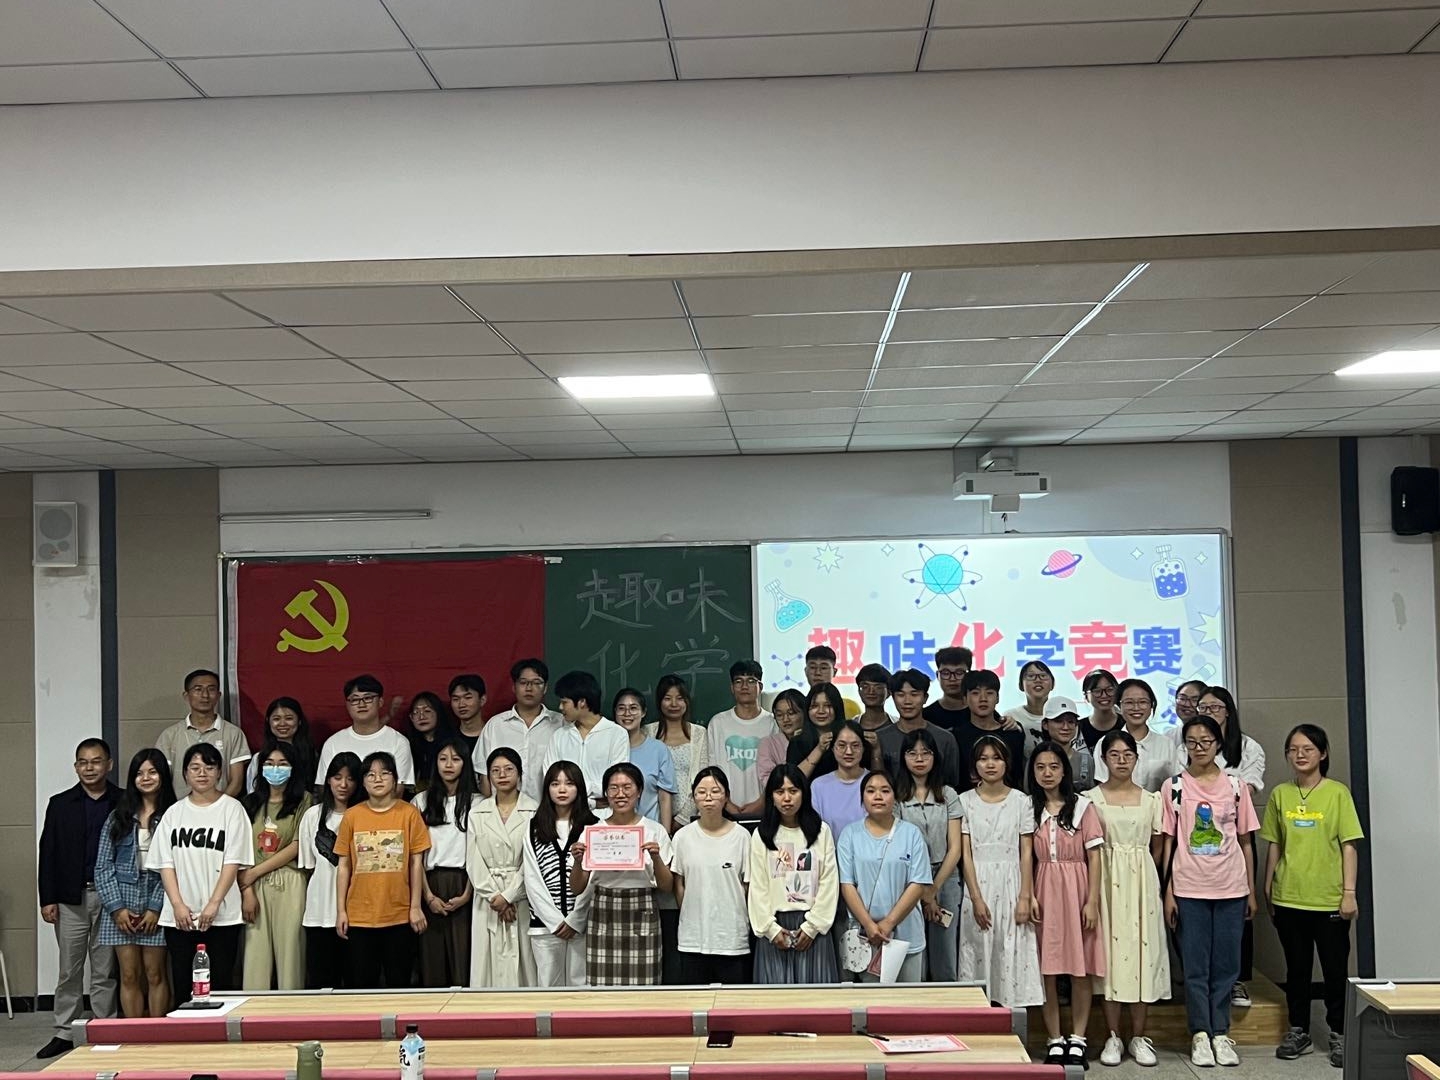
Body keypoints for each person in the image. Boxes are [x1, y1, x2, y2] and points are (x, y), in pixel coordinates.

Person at [1162, 715, 1259, 1069]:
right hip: (1189, 887)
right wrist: (1168, 892)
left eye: (1206, 741)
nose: (1199, 747)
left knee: (1227, 965)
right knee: (1195, 965)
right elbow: (1168, 843)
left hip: (1231, 887)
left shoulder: (1236, 786)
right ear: (1184, 746)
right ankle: (1200, 1033)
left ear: (1218, 744)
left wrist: (1250, 890)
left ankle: (1221, 1032)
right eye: (1192, 741)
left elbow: (1245, 841)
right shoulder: (1174, 787)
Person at [1264, 724, 1364, 1069]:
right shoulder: (1280, 794)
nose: (1300, 755)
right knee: (1297, 970)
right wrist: (1268, 887)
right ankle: (1299, 1030)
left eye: (1307, 748)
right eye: (1293, 749)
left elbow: (1349, 845)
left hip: (1329, 899)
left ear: (1322, 753)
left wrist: (1349, 893)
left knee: (1335, 970)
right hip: (1289, 897)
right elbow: (1275, 844)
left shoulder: (1337, 793)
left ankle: (1339, 1033)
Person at [148, 742, 253, 1005]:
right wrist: (177, 905)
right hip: (181, 917)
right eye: (195, 767)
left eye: (209, 767)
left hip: (222, 915)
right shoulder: (174, 813)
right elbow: (165, 864)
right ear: (185, 774)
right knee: (183, 984)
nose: (202, 773)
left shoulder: (233, 809)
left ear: (220, 772)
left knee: (221, 984)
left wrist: (214, 903)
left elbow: (233, 861)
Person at [36, 738, 120, 1058]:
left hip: (110, 898)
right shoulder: (60, 804)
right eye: (83, 762)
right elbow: (48, 852)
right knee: (69, 970)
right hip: (71, 899)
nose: (89, 768)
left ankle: (105, 1027)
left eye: (96, 761)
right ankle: (65, 1031)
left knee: (104, 969)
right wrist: (48, 898)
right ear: (76, 767)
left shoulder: (123, 801)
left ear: (108, 764)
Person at [1092, 730, 1167, 1069]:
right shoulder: (1090, 799)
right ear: (1103, 759)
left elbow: (1158, 846)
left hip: (1141, 883)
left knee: (1142, 955)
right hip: (1105, 882)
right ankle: (1113, 1035)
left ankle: (1139, 1036)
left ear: (1137, 758)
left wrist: (1147, 878)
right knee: (1110, 956)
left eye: (1128, 754)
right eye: (1114, 754)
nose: (1121, 761)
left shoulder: (1152, 800)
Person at [1029, 741, 1106, 1070]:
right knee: (1047, 967)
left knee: (1079, 967)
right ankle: (1054, 1038)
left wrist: (1092, 901)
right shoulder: (1029, 808)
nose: (1047, 773)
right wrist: (1029, 895)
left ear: (1065, 770)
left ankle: (1078, 1038)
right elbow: (1026, 857)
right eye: (1040, 767)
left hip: (1077, 889)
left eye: (1054, 766)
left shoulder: (1083, 807)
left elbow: (1095, 857)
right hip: (1043, 889)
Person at [1188, 685, 1265, 1009]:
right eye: (1203, 707)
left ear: (1229, 711)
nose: (1209, 713)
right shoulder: (1185, 745)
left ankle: (1237, 982)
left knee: (1239, 915)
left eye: (1215, 707)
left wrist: (1217, 787)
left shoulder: (1248, 746)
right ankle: (1199, 983)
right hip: (1193, 836)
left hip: (1234, 834)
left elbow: (1249, 787)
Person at [958, 735, 1043, 1008]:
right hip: (978, 884)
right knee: (978, 948)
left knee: (1011, 950)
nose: (990, 764)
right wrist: (975, 898)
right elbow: (965, 854)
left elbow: (1026, 852)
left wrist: (1025, 896)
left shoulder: (1022, 801)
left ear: (1007, 763)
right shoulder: (964, 801)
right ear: (974, 765)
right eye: (983, 759)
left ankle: (1012, 1020)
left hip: (1012, 882)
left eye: (996, 758)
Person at [570, 762, 673, 985]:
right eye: (613, 788)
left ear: (639, 791)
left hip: (643, 907)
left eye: (627, 787)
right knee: (602, 990)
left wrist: (656, 857)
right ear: (606, 793)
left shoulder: (655, 830)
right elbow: (577, 888)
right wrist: (578, 862)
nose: (620, 794)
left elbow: (667, 887)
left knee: (645, 988)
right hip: (603, 909)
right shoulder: (593, 832)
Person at [335, 751, 430, 988]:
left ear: (395, 779)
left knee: (399, 985)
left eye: (385, 773)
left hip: (399, 915)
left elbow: (415, 863)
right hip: (360, 917)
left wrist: (415, 907)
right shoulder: (352, 816)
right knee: (362, 987)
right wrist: (341, 911)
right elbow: (344, 866)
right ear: (363, 781)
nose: (378, 779)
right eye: (370, 775)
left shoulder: (409, 814)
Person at [95, 750, 173, 1023]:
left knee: (155, 974)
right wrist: (117, 908)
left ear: (162, 776)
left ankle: (158, 1036)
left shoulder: (173, 815)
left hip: (158, 898)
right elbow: (103, 866)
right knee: (129, 974)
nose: (146, 778)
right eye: (139, 773)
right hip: (122, 900)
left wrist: (155, 908)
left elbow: (176, 868)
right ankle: (134, 1035)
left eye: (152, 772)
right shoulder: (118, 816)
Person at [748, 764, 840, 984]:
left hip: (813, 928)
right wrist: (771, 929)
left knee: (816, 1000)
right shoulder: (761, 835)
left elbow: (829, 882)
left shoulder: (821, 831)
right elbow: (758, 887)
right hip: (775, 928)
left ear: (804, 793)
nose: (787, 798)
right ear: (771, 797)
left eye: (793, 791)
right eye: (780, 792)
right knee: (776, 1002)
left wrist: (812, 927)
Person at [837, 770, 932, 983]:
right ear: (862, 798)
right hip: (866, 936)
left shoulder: (911, 834)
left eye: (885, 791)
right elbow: (847, 885)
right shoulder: (849, 835)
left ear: (895, 797)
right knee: (872, 1001)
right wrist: (869, 925)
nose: (878, 796)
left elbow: (917, 884)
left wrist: (889, 923)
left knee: (908, 1000)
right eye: (871, 791)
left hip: (906, 935)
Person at [240, 739, 312, 991]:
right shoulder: (249, 803)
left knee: (291, 954)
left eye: (282, 764)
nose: (275, 768)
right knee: (255, 957)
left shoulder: (304, 800)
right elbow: (239, 850)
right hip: (252, 885)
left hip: (289, 881)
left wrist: (254, 873)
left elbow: (298, 845)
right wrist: (247, 889)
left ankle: (291, 1011)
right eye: (270, 763)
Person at [894, 727, 963, 982]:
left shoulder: (948, 794)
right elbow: (900, 845)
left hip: (946, 877)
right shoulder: (896, 796)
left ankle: (947, 1006)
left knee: (945, 954)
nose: (919, 759)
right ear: (903, 757)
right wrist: (922, 891)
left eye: (926, 753)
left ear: (935, 757)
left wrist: (933, 889)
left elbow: (955, 848)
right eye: (912, 753)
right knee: (914, 954)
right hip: (908, 880)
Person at [672, 767, 751, 983]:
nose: (708, 798)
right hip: (692, 939)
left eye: (715, 791)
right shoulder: (682, 837)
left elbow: (747, 886)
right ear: (693, 797)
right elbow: (679, 885)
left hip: (732, 939)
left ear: (726, 797)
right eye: (701, 792)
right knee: (694, 1000)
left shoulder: (742, 836)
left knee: (734, 1002)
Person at [466, 746, 537, 987]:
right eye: (495, 771)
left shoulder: (534, 810)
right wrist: (495, 897)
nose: (502, 775)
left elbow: (533, 860)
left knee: (524, 960)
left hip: (521, 896)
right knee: (487, 962)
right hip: (488, 899)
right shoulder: (477, 812)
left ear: (520, 773)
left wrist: (508, 896)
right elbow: (473, 860)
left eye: (508, 769)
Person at [523, 760, 598, 987]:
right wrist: (554, 921)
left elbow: (594, 878)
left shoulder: (594, 826)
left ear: (579, 788)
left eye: (569, 783)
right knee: (547, 989)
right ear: (547, 788)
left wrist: (576, 919)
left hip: (583, 924)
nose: (562, 789)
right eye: (555, 784)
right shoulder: (533, 827)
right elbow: (532, 878)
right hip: (544, 926)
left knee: (581, 988)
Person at [414, 737, 478, 987]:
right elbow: (415, 856)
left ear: (465, 763)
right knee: (432, 961)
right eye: (443, 759)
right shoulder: (420, 801)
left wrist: (467, 894)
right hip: (430, 882)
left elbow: (479, 852)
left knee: (463, 959)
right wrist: (428, 896)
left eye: (456, 759)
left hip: (465, 882)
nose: (449, 765)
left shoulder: (478, 803)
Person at [297, 751, 362, 989]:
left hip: (358, 914)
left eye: (350, 778)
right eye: (337, 777)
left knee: (356, 984)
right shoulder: (312, 816)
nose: (343, 784)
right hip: (319, 912)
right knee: (322, 984)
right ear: (327, 780)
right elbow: (308, 866)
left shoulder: (364, 815)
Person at [542, 670, 629, 816]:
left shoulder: (616, 734)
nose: (560, 707)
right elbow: (550, 778)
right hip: (566, 815)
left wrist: (573, 789)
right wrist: (593, 800)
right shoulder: (559, 736)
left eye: (564, 702)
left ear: (582, 702)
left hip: (605, 816)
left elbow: (616, 782)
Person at [477, 659, 562, 801]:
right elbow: (483, 773)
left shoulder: (560, 724)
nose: (529, 688)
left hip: (549, 808)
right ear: (514, 687)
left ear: (545, 688)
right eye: (523, 682)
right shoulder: (495, 725)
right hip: (504, 809)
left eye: (536, 683)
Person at [155, 669, 250, 797]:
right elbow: (161, 780)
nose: (205, 695)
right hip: (179, 807)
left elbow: (236, 782)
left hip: (221, 807)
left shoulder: (233, 733)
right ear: (186, 695)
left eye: (211, 689)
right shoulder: (169, 735)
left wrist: (219, 806)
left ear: (218, 695)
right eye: (198, 689)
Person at [316, 675, 416, 791]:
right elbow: (323, 788)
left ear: (380, 702)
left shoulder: (399, 742)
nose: (361, 704)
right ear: (347, 704)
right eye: (355, 699)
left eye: (368, 698)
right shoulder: (333, 742)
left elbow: (398, 790)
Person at [706, 660, 777, 818]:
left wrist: (762, 802)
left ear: (760, 687)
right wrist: (726, 803)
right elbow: (711, 768)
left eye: (751, 681)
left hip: (765, 810)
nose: (744, 686)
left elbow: (778, 770)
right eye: (738, 681)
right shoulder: (718, 723)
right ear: (732, 687)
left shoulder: (772, 723)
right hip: (724, 809)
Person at [879, 668, 964, 791]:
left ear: (925, 698)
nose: (907, 701)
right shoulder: (881, 738)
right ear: (893, 697)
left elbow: (952, 782)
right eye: (901, 695)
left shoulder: (945, 739)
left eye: (914, 694)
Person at [646, 674, 710, 831]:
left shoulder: (699, 734)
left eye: (680, 698)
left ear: (687, 701)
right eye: (667, 698)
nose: (674, 704)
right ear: (659, 702)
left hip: (692, 819)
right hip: (652, 817)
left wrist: (682, 819)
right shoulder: (647, 732)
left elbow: (702, 779)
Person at [1094, 679, 1179, 793]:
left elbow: (1175, 785)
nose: (1136, 708)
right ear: (1119, 706)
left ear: (1151, 705)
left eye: (1143, 702)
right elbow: (1103, 787)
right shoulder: (1105, 743)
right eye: (1129, 702)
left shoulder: (1166, 744)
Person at [953, 669, 1026, 789]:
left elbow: (1017, 775)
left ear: (997, 698)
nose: (983, 698)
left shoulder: (1012, 732)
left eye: (989, 693)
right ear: (965, 699)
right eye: (975, 693)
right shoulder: (956, 736)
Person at [614, 688, 676, 829]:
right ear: (615, 712)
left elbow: (664, 797)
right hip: (613, 833)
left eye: (633, 708)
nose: (627, 713)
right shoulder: (606, 748)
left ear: (643, 712)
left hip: (649, 832)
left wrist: (665, 834)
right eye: (621, 708)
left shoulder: (658, 750)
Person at [244, 697, 317, 794]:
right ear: (268, 721)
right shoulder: (259, 758)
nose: (282, 723)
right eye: (276, 719)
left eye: (289, 718)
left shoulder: (311, 756)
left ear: (299, 721)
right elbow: (252, 792)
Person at [788, 683, 846, 779]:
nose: (821, 711)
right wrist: (819, 749)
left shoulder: (848, 740)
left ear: (837, 708)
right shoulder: (797, 743)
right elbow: (794, 780)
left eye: (828, 705)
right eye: (815, 706)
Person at [1038, 696, 1096, 792]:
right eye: (1058, 721)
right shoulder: (1035, 759)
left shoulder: (1086, 761)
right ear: (1045, 725)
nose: (1065, 727)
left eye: (1070, 721)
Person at [405, 691, 455, 794]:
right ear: (411, 718)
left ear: (439, 713)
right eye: (416, 712)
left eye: (427, 711)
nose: (421, 717)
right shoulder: (406, 744)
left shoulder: (452, 743)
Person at [758, 689, 806, 789]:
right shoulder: (768, 743)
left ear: (805, 713)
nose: (785, 719)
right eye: (779, 715)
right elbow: (769, 782)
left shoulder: (815, 741)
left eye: (791, 713)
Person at [1006, 660, 1055, 751]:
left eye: (1043, 676)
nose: (1038, 680)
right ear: (1021, 685)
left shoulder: (1062, 716)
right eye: (1031, 676)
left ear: (1053, 684)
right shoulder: (1012, 717)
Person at [923, 646, 973, 733]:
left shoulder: (982, 712)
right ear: (937, 675)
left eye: (959, 673)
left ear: (969, 675)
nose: (952, 679)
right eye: (946, 673)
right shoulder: (925, 716)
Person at [804, 645, 861, 719]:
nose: (817, 673)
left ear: (834, 672)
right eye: (812, 667)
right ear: (805, 671)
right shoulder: (798, 707)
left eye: (823, 668)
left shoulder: (850, 707)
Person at [854, 662, 893, 771]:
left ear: (889, 692)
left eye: (878, 687)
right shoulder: (851, 727)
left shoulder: (897, 726)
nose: (871, 691)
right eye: (865, 686)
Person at [1079, 670, 1122, 751]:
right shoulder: (1078, 729)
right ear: (1086, 696)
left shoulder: (1127, 725)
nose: (1104, 695)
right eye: (1097, 691)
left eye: (1110, 690)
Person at [448, 673, 488, 760]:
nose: (461, 704)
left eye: (468, 698)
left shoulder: (492, 734)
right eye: (455, 699)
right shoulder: (447, 738)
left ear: (482, 700)